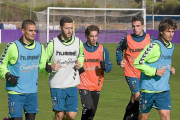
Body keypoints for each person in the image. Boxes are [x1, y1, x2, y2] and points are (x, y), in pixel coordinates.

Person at [0, 20, 60, 120]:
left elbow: (42, 66)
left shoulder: (39, 47)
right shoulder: (12, 46)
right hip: (16, 92)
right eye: (30, 30)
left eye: (35, 31)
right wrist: (7, 75)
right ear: (23, 31)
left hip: (32, 92)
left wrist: (49, 67)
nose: (33, 33)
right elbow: (1, 63)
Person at [133, 18, 177, 120]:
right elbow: (138, 63)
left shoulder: (171, 46)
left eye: (172, 31)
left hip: (164, 89)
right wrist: (154, 71)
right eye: (168, 31)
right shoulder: (153, 46)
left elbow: (162, 62)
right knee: (143, 118)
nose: (171, 34)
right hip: (149, 89)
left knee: (166, 117)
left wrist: (169, 68)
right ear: (161, 31)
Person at [45, 16, 84, 120]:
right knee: (59, 115)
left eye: (71, 28)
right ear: (60, 28)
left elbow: (81, 55)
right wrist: (50, 66)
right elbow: (43, 61)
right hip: (57, 85)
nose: (69, 31)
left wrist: (80, 62)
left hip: (72, 84)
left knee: (71, 116)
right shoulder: (52, 43)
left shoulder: (78, 42)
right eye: (67, 28)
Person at [116, 16, 155, 120]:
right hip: (130, 72)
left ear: (143, 26)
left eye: (138, 26)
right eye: (133, 26)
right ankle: (136, 117)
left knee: (134, 99)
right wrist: (120, 60)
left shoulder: (150, 39)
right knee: (137, 95)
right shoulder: (127, 38)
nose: (135, 28)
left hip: (144, 73)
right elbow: (119, 49)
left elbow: (157, 51)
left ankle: (127, 117)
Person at [77, 25, 113, 120]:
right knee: (88, 107)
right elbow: (74, 64)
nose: (94, 39)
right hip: (83, 85)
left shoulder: (103, 50)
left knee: (92, 113)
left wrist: (105, 67)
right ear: (86, 36)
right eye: (92, 36)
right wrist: (78, 68)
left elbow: (109, 67)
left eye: (96, 36)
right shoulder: (81, 49)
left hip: (96, 85)